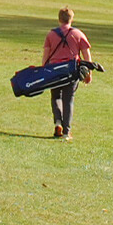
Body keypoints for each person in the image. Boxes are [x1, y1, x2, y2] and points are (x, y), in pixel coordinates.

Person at [41, 7, 92, 140]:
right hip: (71, 71)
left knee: (56, 96)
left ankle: (58, 122)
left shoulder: (51, 34)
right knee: (68, 100)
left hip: (54, 70)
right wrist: (88, 73)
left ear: (59, 19)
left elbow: (45, 55)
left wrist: (43, 71)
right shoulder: (78, 34)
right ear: (71, 19)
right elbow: (87, 56)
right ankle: (66, 132)